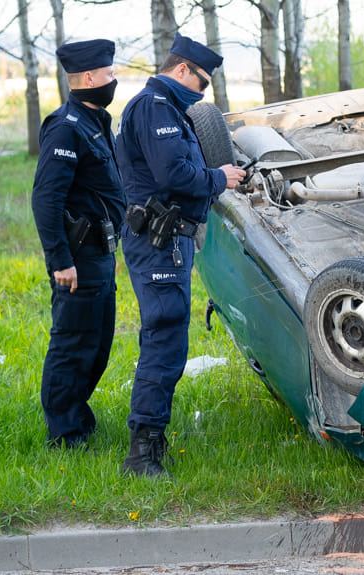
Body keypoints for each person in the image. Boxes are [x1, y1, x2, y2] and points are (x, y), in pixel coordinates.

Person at [116, 33, 245, 477]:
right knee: (163, 340)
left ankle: (152, 442)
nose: (202, 93)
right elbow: (173, 174)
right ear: (182, 70)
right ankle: (142, 455)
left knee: (168, 341)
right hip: (157, 242)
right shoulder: (155, 108)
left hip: (168, 242)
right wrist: (219, 178)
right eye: (202, 83)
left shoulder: (169, 108)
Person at [31, 39, 125, 449]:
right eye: (108, 74)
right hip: (78, 257)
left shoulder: (97, 122)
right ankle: (64, 433)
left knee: (98, 343)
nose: (113, 80)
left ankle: (77, 416)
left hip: (101, 253)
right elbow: (46, 198)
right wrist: (60, 260)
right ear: (88, 78)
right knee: (73, 343)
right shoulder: (65, 126)